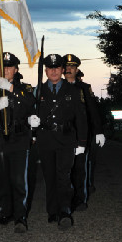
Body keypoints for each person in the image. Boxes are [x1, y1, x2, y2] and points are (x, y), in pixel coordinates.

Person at [0, 52, 35, 233]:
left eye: (9, 67)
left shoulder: (24, 88)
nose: (6, 70)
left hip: (18, 139)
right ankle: (6, 212)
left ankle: (20, 217)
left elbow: (30, 105)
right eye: (2, 67)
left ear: (16, 69)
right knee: (2, 180)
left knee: (19, 180)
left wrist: (11, 91)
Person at [33, 54, 88, 230]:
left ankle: (65, 211)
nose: (54, 71)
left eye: (57, 68)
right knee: (50, 177)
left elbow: (81, 118)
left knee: (63, 176)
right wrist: (31, 123)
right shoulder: (38, 91)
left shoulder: (73, 90)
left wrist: (82, 142)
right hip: (46, 140)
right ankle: (53, 210)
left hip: (66, 139)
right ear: (46, 71)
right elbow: (30, 112)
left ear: (62, 70)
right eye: (50, 68)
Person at [63, 53, 105, 208]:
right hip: (63, 134)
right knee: (64, 169)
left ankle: (81, 198)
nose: (69, 69)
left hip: (81, 133)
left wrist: (98, 131)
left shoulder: (84, 88)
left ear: (76, 69)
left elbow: (93, 111)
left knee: (81, 168)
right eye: (66, 67)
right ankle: (66, 198)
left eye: (72, 67)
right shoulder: (58, 86)